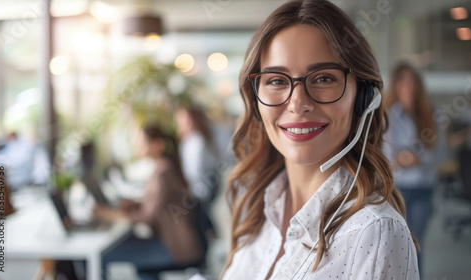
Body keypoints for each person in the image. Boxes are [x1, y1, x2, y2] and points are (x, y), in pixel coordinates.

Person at [221, 1, 419, 279]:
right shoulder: (257, 208)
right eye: (277, 81)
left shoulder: (374, 231)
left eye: (324, 78)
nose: (298, 104)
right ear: (256, 102)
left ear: (363, 98)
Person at [94, 125, 205, 280]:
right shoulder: (163, 167)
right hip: (173, 243)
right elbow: (160, 205)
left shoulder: (163, 172)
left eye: (141, 142)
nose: (137, 146)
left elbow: (148, 217)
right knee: (133, 255)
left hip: (175, 248)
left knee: (104, 256)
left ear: (157, 145)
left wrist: (111, 215)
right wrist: (136, 204)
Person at [382, 62, 445, 274]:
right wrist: (410, 157)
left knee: (416, 242)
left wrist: (415, 158)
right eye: (403, 80)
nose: (408, 85)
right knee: (393, 244)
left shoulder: (431, 115)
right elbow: (387, 154)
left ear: (418, 85)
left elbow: (439, 153)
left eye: (412, 81)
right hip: (396, 188)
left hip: (422, 188)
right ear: (396, 85)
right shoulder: (387, 116)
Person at [174, 106, 220, 212]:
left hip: (204, 191)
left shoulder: (197, 140)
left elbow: (194, 171)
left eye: (187, 119)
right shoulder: (187, 142)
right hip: (202, 191)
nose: (185, 123)